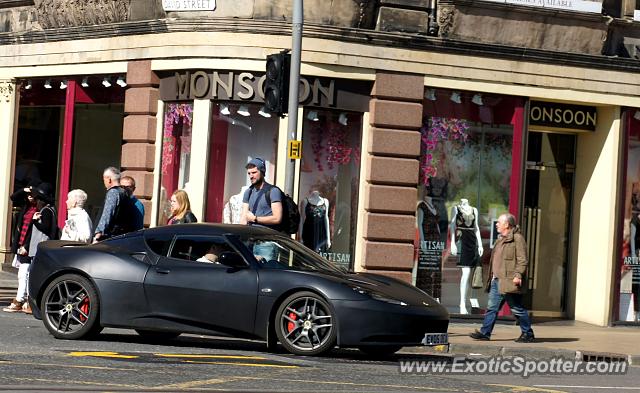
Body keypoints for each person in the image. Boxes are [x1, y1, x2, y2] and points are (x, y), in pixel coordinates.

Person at [470, 213, 535, 343]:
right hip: (496, 281)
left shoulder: (517, 238)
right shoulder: (500, 239)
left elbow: (523, 260)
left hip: (509, 281)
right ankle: (485, 333)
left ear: (507, 224)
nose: (496, 224)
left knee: (517, 309)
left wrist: (518, 275)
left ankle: (528, 333)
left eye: (499, 222)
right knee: (491, 309)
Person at [4, 182, 57, 314]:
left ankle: (22, 300)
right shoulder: (26, 206)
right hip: (22, 243)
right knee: (24, 274)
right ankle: (24, 300)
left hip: (30, 246)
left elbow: (38, 231)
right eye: (28, 195)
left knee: (24, 274)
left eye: (33, 195)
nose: (30, 197)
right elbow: (13, 198)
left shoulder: (42, 209)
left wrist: (26, 246)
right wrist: (24, 189)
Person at [241, 157, 282, 261]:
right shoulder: (248, 192)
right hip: (249, 242)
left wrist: (255, 219)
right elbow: (243, 218)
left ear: (262, 172)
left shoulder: (273, 191)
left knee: (266, 275)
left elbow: (277, 218)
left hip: (267, 243)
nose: (251, 176)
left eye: (254, 172)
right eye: (249, 173)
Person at [450, 198, 483, 314]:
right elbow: (452, 226)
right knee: (466, 273)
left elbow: (477, 228)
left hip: (472, 241)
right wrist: (452, 243)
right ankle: (462, 303)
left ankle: (464, 302)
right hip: (462, 239)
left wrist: (480, 245)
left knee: (468, 274)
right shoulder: (456, 209)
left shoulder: (474, 210)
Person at [93, 167, 134, 243]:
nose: (104, 182)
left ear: (109, 179)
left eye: (104, 179)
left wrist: (98, 235)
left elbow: (107, 214)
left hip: (110, 238)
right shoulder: (125, 193)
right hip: (122, 237)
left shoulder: (113, 192)